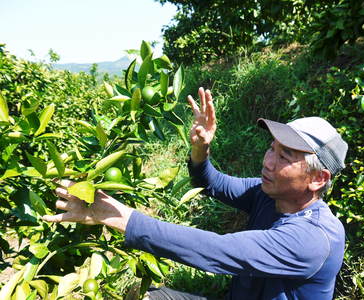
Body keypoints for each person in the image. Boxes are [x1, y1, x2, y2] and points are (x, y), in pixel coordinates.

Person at [43, 87, 348, 300]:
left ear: (317, 179)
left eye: (284, 157)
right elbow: (213, 183)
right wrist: (200, 150)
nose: (268, 161)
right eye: (272, 148)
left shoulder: (313, 239)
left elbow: (217, 250)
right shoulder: (268, 194)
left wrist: (119, 216)